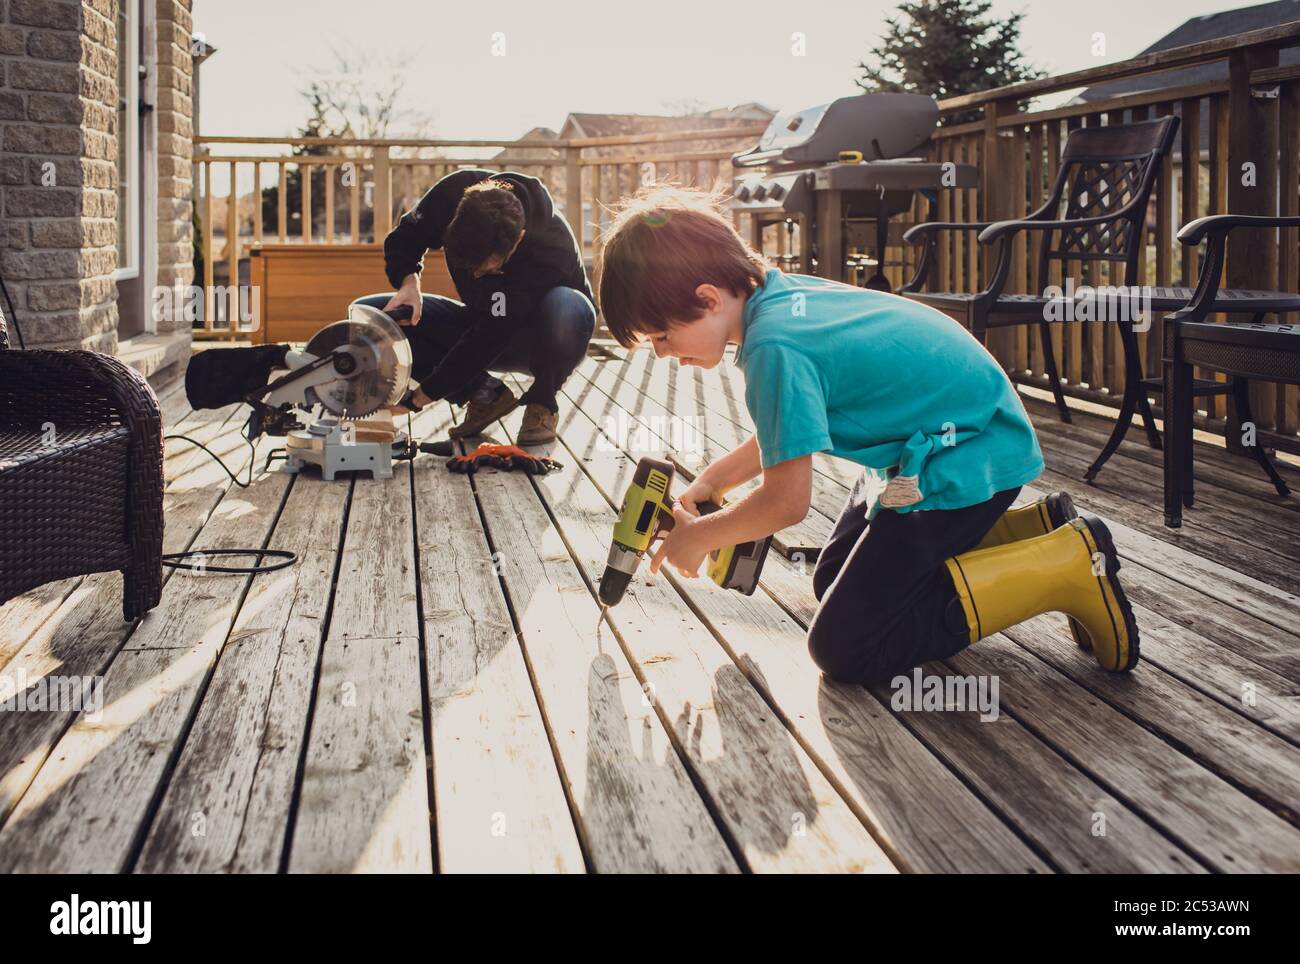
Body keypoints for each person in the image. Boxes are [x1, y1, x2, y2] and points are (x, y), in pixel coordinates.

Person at [592, 186, 1140, 684]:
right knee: (831, 581)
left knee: (846, 647)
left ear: (709, 298)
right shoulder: (776, 301)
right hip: (940, 449)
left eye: (663, 335)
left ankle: (1066, 563)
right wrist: (716, 479)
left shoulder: (773, 349)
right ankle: (1029, 531)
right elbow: (790, 431)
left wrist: (702, 536)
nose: (664, 352)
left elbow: (786, 504)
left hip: (963, 459)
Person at [356, 168, 596, 444]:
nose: (474, 277)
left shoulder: (551, 247)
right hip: (485, 319)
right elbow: (405, 237)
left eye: (486, 270)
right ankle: (485, 394)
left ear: (518, 239)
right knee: (377, 315)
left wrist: (417, 400)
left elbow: (491, 336)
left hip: (546, 339)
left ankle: (542, 404)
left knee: (566, 304)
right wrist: (409, 283)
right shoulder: (450, 195)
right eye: (466, 267)